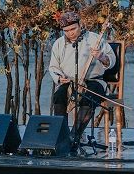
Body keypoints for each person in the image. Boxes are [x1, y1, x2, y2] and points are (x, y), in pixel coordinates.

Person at [48, 11, 116, 139]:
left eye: (73, 29)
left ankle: (75, 136)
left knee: (89, 98)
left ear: (80, 24)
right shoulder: (59, 43)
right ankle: (62, 136)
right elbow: (53, 67)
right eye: (66, 31)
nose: (70, 33)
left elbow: (112, 61)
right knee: (59, 96)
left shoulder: (95, 39)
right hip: (70, 82)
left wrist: (101, 56)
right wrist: (59, 78)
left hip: (94, 81)